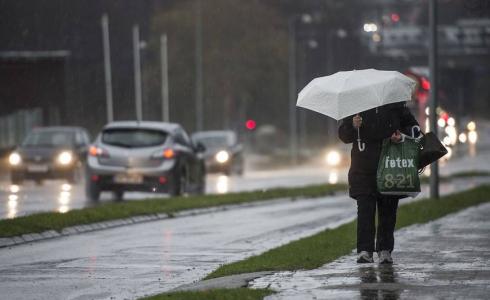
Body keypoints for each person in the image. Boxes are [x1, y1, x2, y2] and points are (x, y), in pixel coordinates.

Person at [338, 102, 419, 264]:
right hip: (363, 169)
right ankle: (364, 251)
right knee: (365, 211)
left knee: (388, 211)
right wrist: (353, 126)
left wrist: (401, 135)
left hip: (390, 166)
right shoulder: (356, 107)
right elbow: (343, 135)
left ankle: (385, 250)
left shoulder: (396, 106)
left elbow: (415, 130)